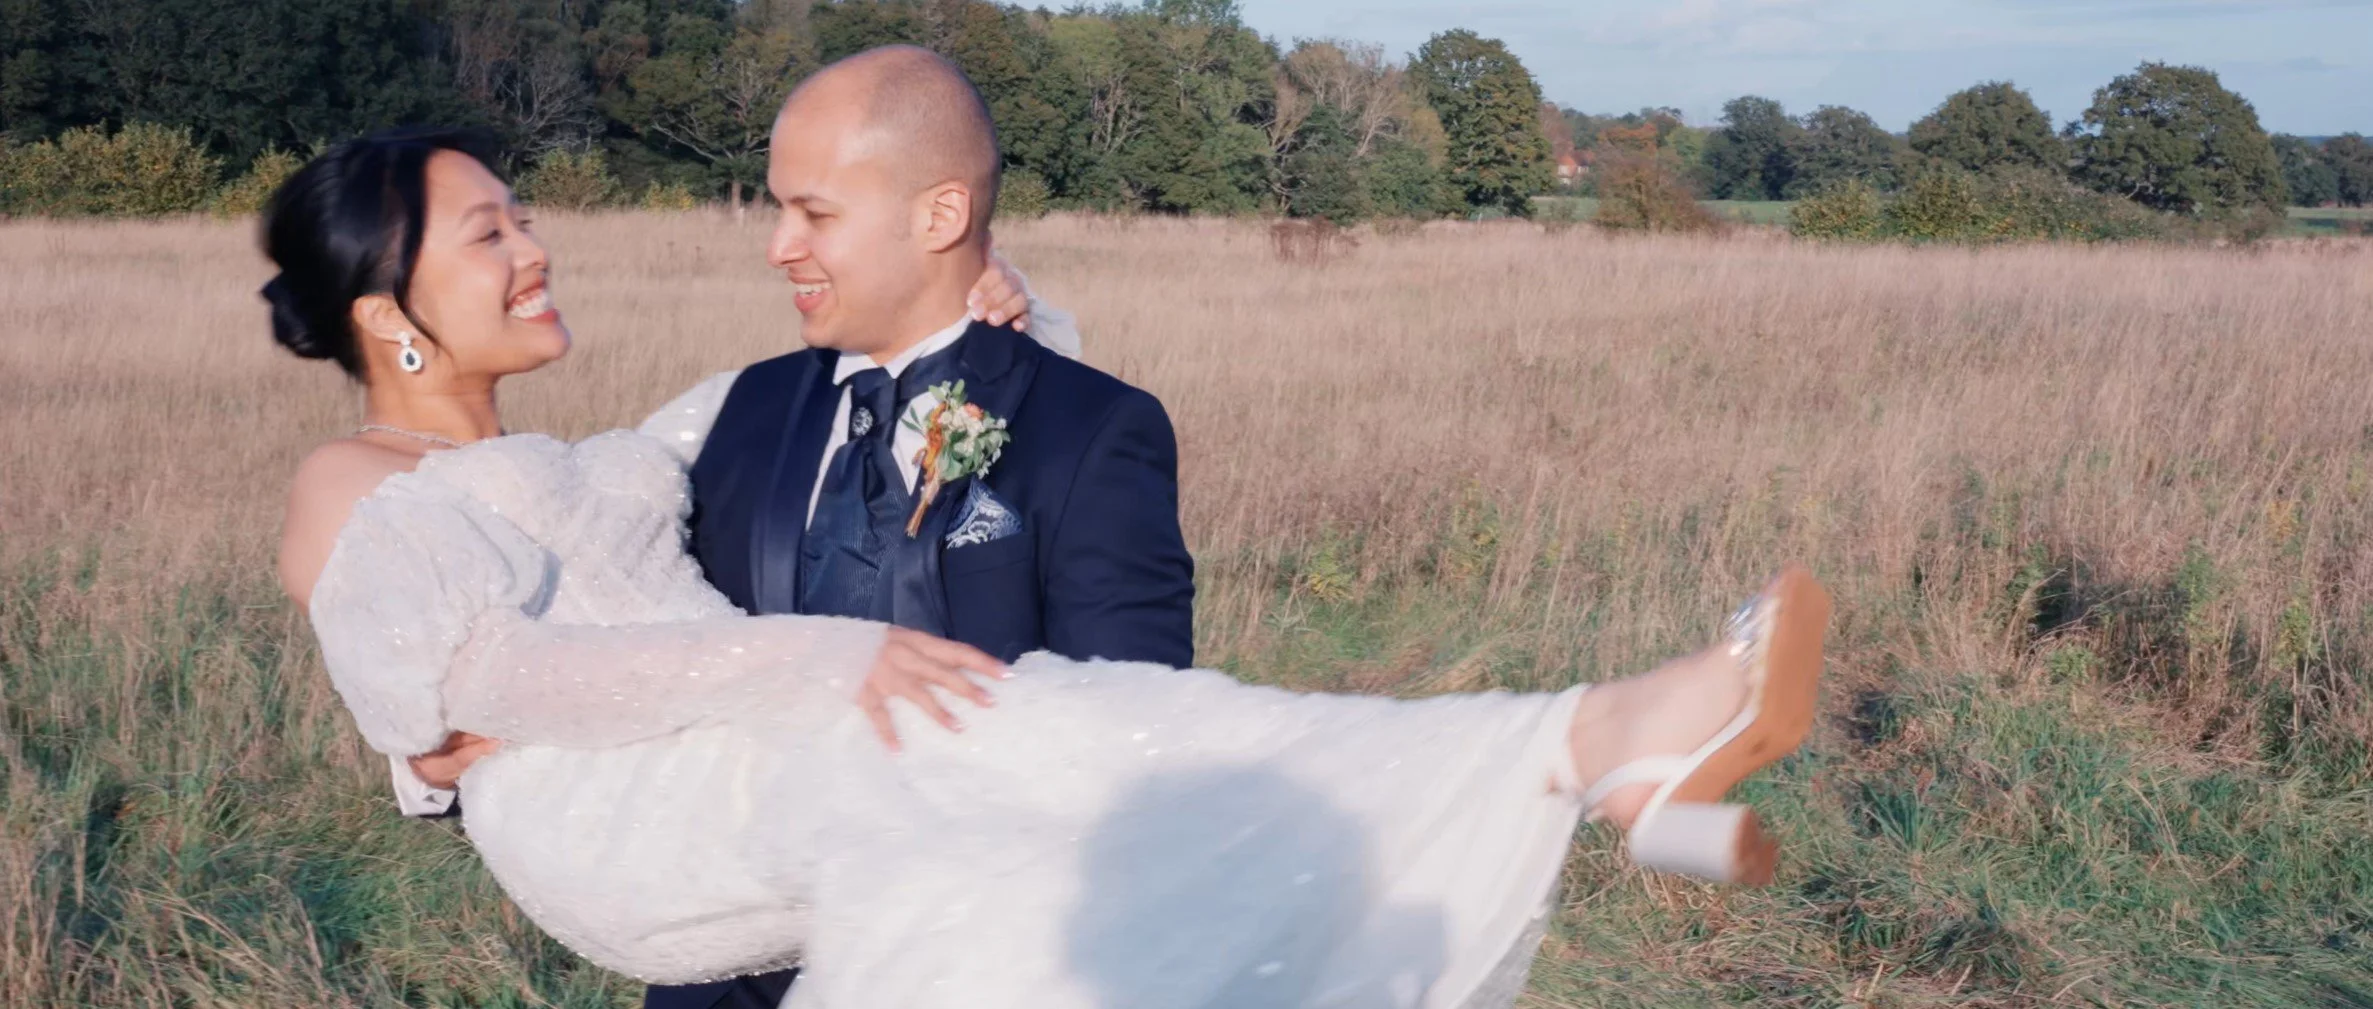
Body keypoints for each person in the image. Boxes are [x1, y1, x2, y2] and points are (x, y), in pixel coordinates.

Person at [268, 51, 1831, 1009]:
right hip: (692, 889)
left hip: (904, 909)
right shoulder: (384, 478)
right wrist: (438, 758)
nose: (538, 247)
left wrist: (1005, 321)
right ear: (388, 309)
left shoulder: (648, 448)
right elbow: (454, 690)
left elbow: (1110, 680)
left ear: (936, 215)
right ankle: (1585, 746)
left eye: (809, 212)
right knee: (966, 731)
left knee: (1072, 729)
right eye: (494, 230)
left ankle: (1594, 760)